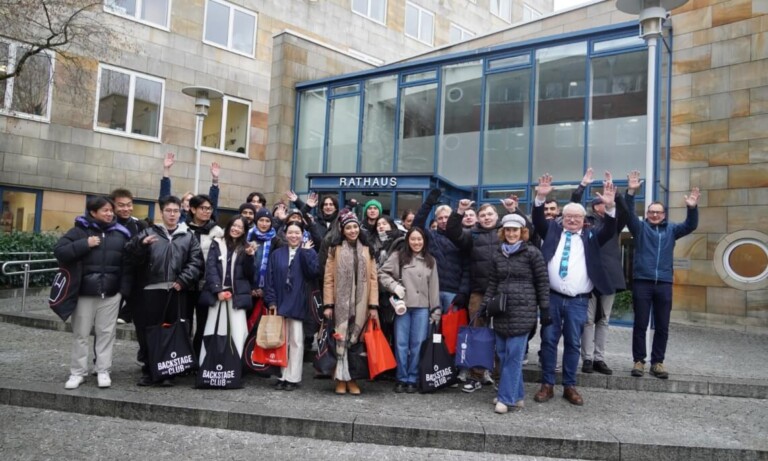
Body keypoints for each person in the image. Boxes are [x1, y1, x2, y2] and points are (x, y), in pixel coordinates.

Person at [531, 174, 617, 406]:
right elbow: (537, 219)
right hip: (552, 299)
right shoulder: (552, 231)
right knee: (548, 341)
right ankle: (547, 384)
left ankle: (570, 385)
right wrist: (540, 196)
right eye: (568, 216)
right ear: (562, 217)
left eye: (576, 217)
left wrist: (610, 207)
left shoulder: (592, 236)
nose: (572, 220)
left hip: (579, 301)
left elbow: (610, 229)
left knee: (573, 343)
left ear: (584, 219)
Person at [622, 170, 700, 380]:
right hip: (642, 282)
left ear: (664, 214)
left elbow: (691, 225)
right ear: (647, 214)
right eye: (651, 212)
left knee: (662, 325)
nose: (654, 215)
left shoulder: (672, 230)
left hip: (664, 282)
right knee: (640, 323)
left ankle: (658, 362)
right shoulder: (640, 229)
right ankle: (639, 360)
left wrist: (691, 208)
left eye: (658, 212)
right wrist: (630, 192)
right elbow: (629, 213)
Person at [125, 195, 204, 387]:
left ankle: (168, 371)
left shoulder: (188, 236)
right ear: (162, 212)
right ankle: (149, 370)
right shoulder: (148, 232)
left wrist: (183, 280)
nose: (172, 214)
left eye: (176, 211)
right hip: (150, 291)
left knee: (172, 332)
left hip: (177, 291)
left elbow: (196, 262)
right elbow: (129, 255)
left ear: (181, 212)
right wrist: (141, 246)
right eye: (168, 211)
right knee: (149, 332)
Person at [54, 197, 132, 390]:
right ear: (93, 212)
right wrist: (84, 244)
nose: (109, 213)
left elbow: (127, 265)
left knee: (106, 333)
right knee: (80, 334)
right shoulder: (79, 231)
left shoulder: (121, 234)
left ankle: (103, 370)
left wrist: (122, 291)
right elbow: (60, 252)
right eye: (105, 210)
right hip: (83, 293)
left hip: (111, 294)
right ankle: (77, 372)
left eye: (110, 210)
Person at [445, 200, 517, 392]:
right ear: (478, 218)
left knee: (504, 334)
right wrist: (459, 210)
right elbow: (453, 232)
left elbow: (531, 231)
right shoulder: (472, 235)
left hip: (504, 292)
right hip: (479, 292)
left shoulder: (506, 233)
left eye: (490, 215)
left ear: (497, 216)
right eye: (483, 215)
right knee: (478, 334)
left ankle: (501, 376)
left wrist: (513, 209)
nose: (486, 218)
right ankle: (476, 375)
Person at [481, 213, 550, 413]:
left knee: (513, 356)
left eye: (515, 230)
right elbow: (493, 283)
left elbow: (543, 282)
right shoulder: (497, 254)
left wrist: (544, 308)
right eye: (508, 230)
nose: (511, 233)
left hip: (524, 310)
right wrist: (485, 305)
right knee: (503, 354)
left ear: (522, 232)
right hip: (501, 310)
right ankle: (517, 395)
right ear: (503, 232)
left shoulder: (532, 253)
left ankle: (506, 398)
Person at [571, 169, 629, 375]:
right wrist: (582, 185)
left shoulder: (614, 223)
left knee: (603, 319)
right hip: (589, 276)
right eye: (604, 201)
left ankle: (599, 358)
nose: (607, 202)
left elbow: (626, 212)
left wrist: (618, 194)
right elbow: (573, 206)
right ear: (596, 206)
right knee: (587, 320)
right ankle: (586, 358)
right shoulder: (586, 222)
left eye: (609, 200)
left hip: (610, 277)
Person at [322, 209, 379, 395]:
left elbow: (373, 279)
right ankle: (340, 378)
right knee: (340, 340)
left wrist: (373, 306)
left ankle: (352, 378)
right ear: (343, 230)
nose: (353, 230)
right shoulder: (335, 248)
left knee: (355, 342)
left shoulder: (367, 248)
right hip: (340, 303)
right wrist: (328, 305)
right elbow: (328, 278)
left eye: (355, 226)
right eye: (349, 227)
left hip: (361, 303)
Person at [378, 226, 441, 393]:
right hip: (402, 307)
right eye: (413, 239)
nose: (416, 242)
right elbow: (382, 273)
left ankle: (413, 378)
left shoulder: (430, 260)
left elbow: (434, 286)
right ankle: (401, 377)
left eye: (419, 239)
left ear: (424, 241)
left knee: (418, 344)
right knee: (401, 344)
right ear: (408, 241)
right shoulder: (398, 256)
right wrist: (394, 286)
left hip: (422, 307)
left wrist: (435, 310)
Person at [265, 221, 320, 390]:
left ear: (303, 235)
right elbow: (270, 278)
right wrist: (271, 300)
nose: (294, 236)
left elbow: (314, 273)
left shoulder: (308, 252)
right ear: (285, 234)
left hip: (298, 301)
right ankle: (282, 375)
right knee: (281, 341)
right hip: (280, 301)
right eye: (291, 232)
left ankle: (293, 378)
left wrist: (306, 253)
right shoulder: (277, 253)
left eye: (297, 233)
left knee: (296, 341)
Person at [198, 216, 255, 364]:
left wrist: (250, 257)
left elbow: (249, 275)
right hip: (219, 294)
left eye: (240, 227)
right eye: (234, 226)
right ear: (229, 226)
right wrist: (218, 291)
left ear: (244, 231)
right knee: (213, 329)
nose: (236, 229)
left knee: (238, 331)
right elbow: (211, 269)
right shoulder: (217, 243)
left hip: (237, 296)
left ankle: (235, 366)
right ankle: (208, 364)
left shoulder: (246, 247)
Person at [187, 194, 225, 357]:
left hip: (206, 285)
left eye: (209, 208)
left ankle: (197, 357)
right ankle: (183, 357)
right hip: (186, 284)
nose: (206, 211)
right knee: (185, 322)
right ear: (193, 209)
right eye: (203, 208)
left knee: (203, 323)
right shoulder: (184, 229)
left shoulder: (217, 231)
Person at [110, 188, 148, 325]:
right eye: (121, 205)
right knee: (106, 322)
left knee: (140, 318)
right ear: (112, 206)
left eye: (129, 205)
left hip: (135, 276)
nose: (126, 209)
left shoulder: (139, 225)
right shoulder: (106, 225)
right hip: (113, 276)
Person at [159, 152, 220, 222]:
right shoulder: (176, 218)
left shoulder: (199, 219)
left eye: (192, 200)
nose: (190, 202)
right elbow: (165, 199)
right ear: (182, 204)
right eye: (188, 200)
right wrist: (166, 169)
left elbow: (212, 205)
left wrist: (215, 179)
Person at [247, 208, 283, 307]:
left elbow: (276, 269)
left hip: (267, 290)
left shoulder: (276, 241)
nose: (264, 224)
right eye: (261, 220)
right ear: (256, 221)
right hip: (247, 289)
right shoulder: (248, 236)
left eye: (267, 221)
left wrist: (264, 289)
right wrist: (250, 288)